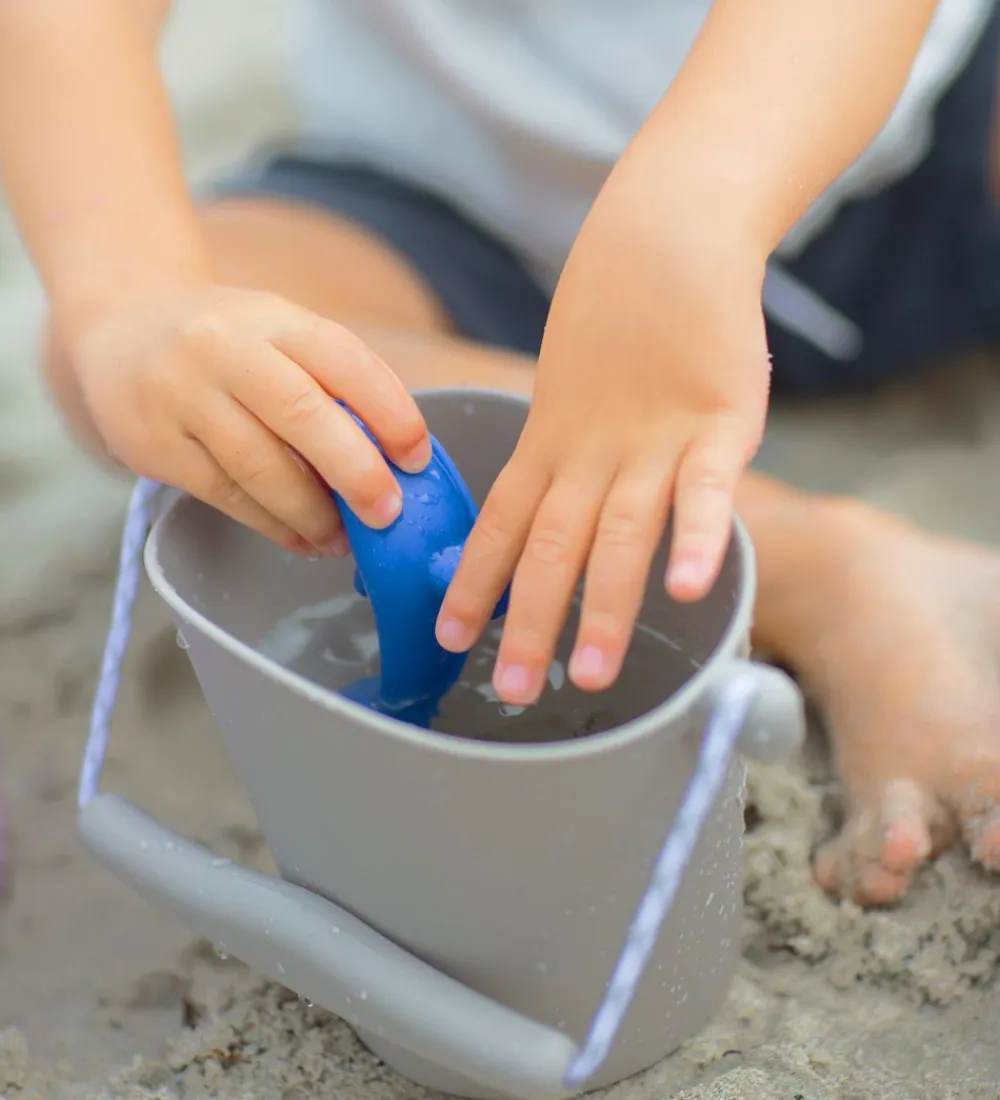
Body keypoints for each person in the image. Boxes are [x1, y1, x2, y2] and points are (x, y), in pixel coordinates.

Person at [1, 0, 999, 908]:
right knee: (176, 361)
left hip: (877, 115)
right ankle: (817, 566)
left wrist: (696, 203)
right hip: (458, 198)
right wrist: (130, 295)